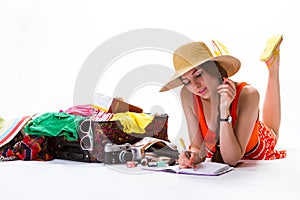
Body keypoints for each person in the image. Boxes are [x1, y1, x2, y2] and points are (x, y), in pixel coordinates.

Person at [159, 35, 287, 167]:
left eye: (198, 75)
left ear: (214, 70)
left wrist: (224, 111)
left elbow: (231, 160)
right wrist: (192, 156)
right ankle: (217, 60)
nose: (195, 86)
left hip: (253, 144)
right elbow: (197, 146)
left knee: (273, 132)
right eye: (186, 82)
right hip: (217, 149)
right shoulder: (187, 95)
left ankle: (273, 66)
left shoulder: (248, 94)